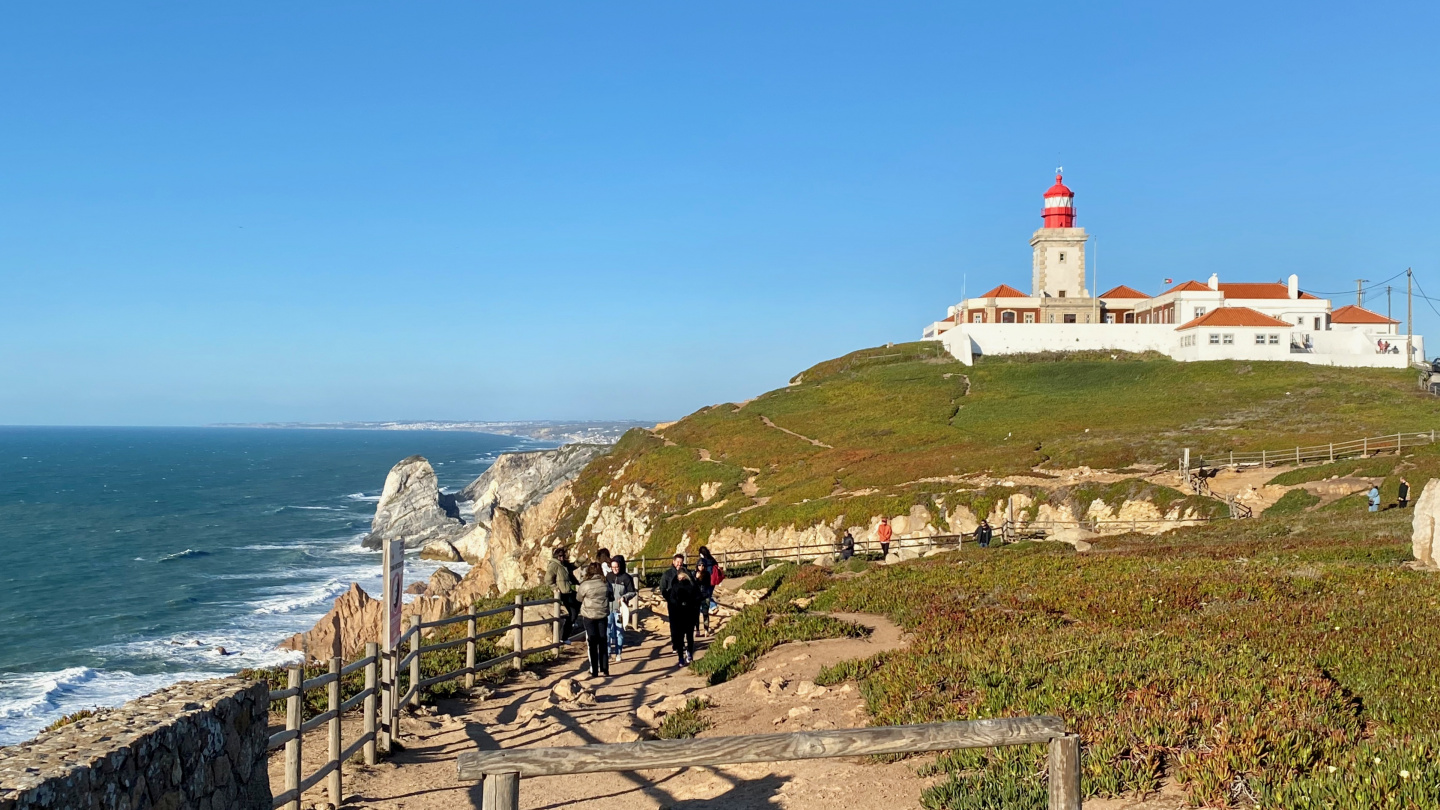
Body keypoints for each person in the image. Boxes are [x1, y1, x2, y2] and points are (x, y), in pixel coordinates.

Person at [659, 554, 699, 664]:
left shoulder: (689, 575)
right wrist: (669, 599)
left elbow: (696, 592)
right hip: (674, 606)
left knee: (688, 633)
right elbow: (662, 588)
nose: (679, 564)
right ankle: (676, 645)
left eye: (681, 562)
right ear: (673, 561)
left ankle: (687, 652)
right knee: (674, 627)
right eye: (677, 562)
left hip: (688, 610)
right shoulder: (667, 574)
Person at [575, 562, 611, 678]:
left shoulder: (585, 585)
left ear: (588, 571)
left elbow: (579, 598)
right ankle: (605, 669)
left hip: (589, 616)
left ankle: (594, 671)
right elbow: (611, 597)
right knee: (603, 641)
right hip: (602, 615)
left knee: (592, 641)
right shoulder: (605, 583)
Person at [545, 547, 579, 639]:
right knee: (572, 613)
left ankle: (565, 635)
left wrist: (583, 558)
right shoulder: (554, 565)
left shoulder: (563, 565)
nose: (562, 557)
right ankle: (564, 636)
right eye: (560, 556)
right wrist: (555, 588)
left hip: (569, 591)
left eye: (563, 556)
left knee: (575, 611)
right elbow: (548, 580)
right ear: (556, 556)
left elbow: (574, 565)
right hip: (563, 594)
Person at [608, 556, 637, 659]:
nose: (614, 569)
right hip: (608, 609)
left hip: (620, 610)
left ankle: (618, 653)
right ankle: (608, 652)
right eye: (612, 567)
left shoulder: (627, 578)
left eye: (616, 567)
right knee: (607, 631)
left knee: (619, 632)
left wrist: (624, 597)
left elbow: (633, 592)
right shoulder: (608, 576)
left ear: (620, 566)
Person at [694, 546, 720, 635]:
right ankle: (701, 629)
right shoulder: (711, 559)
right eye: (700, 565)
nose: (701, 566)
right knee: (699, 613)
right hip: (711, 583)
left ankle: (704, 629)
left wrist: (697, 578)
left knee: (703, 612)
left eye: (702, 565)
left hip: (703, 592)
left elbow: (698, 583)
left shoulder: (704, 570)